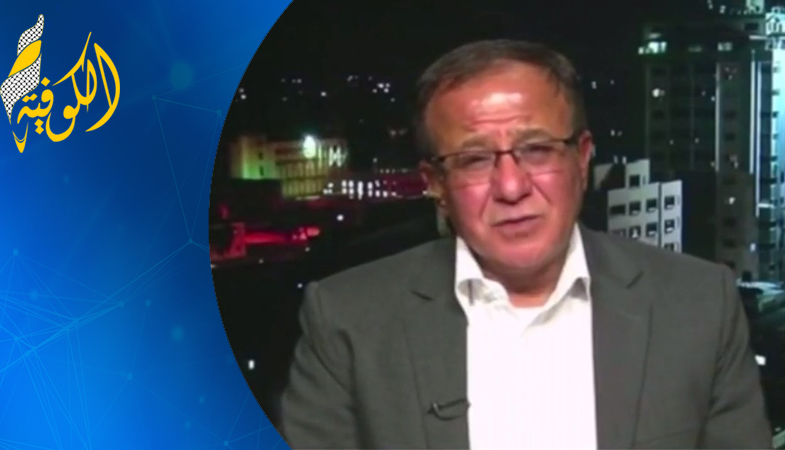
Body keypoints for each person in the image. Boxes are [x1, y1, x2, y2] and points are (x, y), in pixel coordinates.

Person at [278, 39, 772, 449]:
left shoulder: (700, 304)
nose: (512, 188)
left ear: (582, 158)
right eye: (474, 160)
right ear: (436, 183)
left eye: (537, 150)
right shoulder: (346, 320)